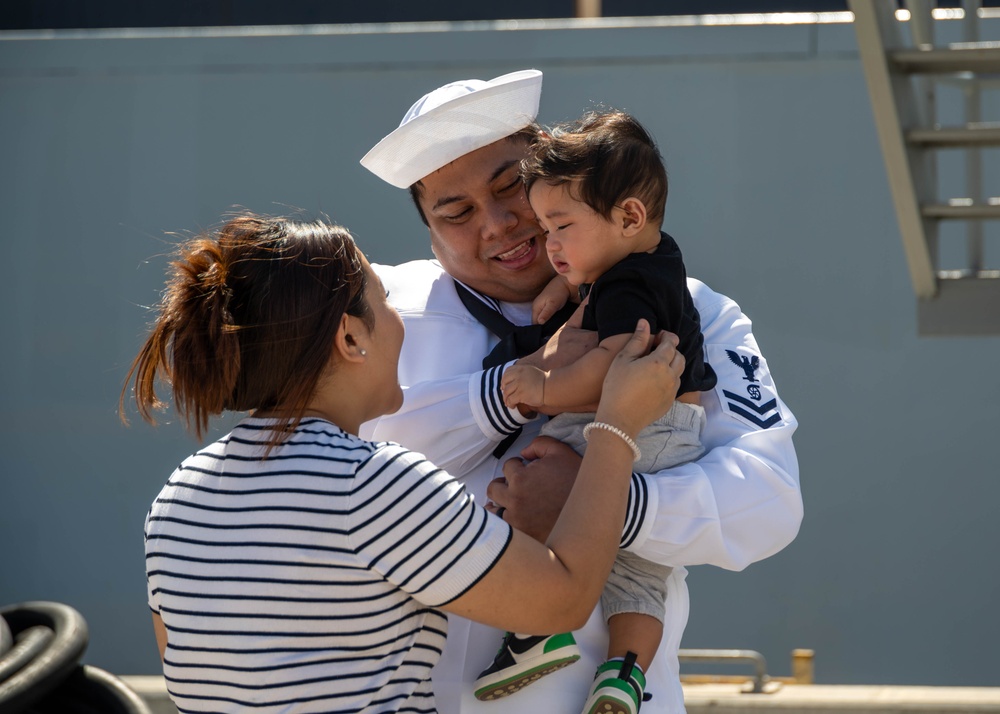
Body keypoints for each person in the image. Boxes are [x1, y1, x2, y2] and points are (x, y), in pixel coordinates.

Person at [359, 69, 802, 714]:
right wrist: (509, 391)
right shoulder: (377, 310)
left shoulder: (688, 309)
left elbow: (768, 500)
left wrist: (611, 504)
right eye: (455, 213)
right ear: (428, 228)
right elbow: (346, 461)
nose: (500, 223)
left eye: (512, 187)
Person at [121, 213, 684, 714]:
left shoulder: (178, 494)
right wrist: (616, 425)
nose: (400, 321)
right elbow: (563, 599)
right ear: (350, 337)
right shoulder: (372, 485)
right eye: (384, 301)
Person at [491, 108, 718, 713]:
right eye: (544, 228)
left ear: (629, 215)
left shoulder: (629, 288)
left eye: (560, 226)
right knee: (641, 578)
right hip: (677, 438)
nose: (548, 244)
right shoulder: (649, 261)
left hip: (640, 426)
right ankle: (623, 673)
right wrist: (564, 285)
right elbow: (597, 285)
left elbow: (613, 362)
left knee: (534, 492)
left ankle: (539, 628)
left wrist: (538, 391)